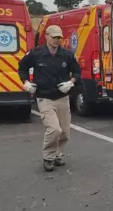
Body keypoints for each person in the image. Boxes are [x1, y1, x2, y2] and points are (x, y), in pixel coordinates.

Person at [18, 25, 81, 172]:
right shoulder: (36, 54)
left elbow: (77, 71)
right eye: (54, 37)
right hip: (44, 98)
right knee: (54, 129)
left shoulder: (67, 55)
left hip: (62, 98)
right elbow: (22, 68)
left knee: (65, 132)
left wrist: (70, 83)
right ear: (46, 36)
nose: (57, 40)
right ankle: (48, 157)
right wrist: (26, 82)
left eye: (59, 37)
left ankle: (58, 154)